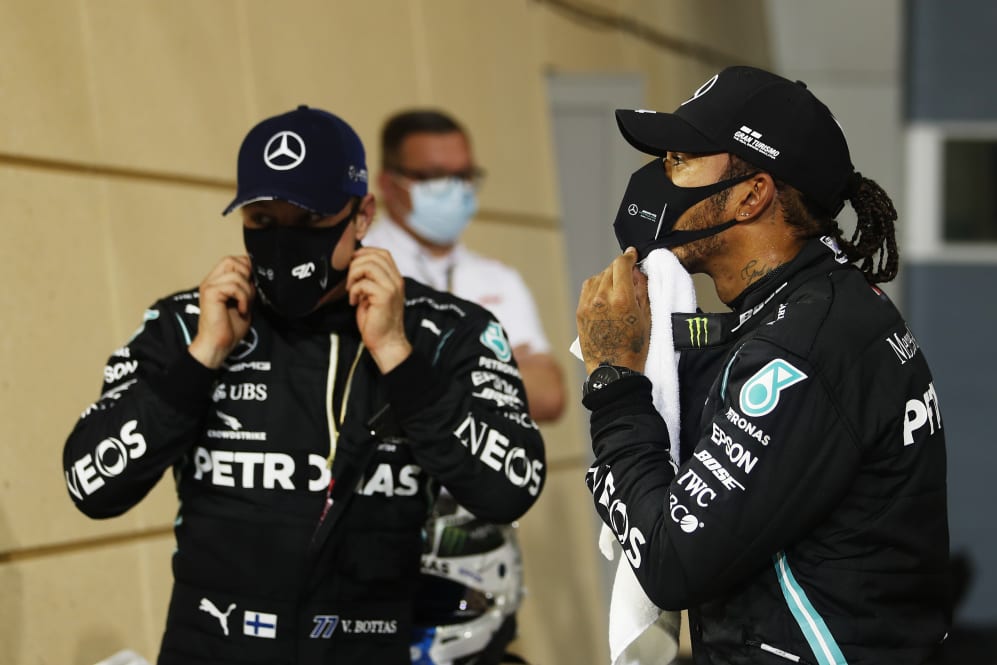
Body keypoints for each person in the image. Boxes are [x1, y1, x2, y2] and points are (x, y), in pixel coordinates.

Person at [62, 105, 546, 665]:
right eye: (263, 222)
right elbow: (91, 485)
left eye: (311, 222)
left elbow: (511, 487)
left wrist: (397, 355)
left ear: (362, 216)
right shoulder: (188, 323)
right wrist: (201, 359)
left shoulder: (445, 330)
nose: (285, 243)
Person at [575, 66, 949, 664]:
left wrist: (614, 380)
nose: (659, 178)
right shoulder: (817, 304)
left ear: (752, 195)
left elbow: (672, 562)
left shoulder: (802, 347)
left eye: (681, 160)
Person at [364, 109, 565, 424]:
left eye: (464, 175)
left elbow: (548, 396)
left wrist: (421, 367)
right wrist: (494, 366)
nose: (456, 189)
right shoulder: (363, 266)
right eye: (435, 176)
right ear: (388, 184)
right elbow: (369, 395)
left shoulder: (498, 278)